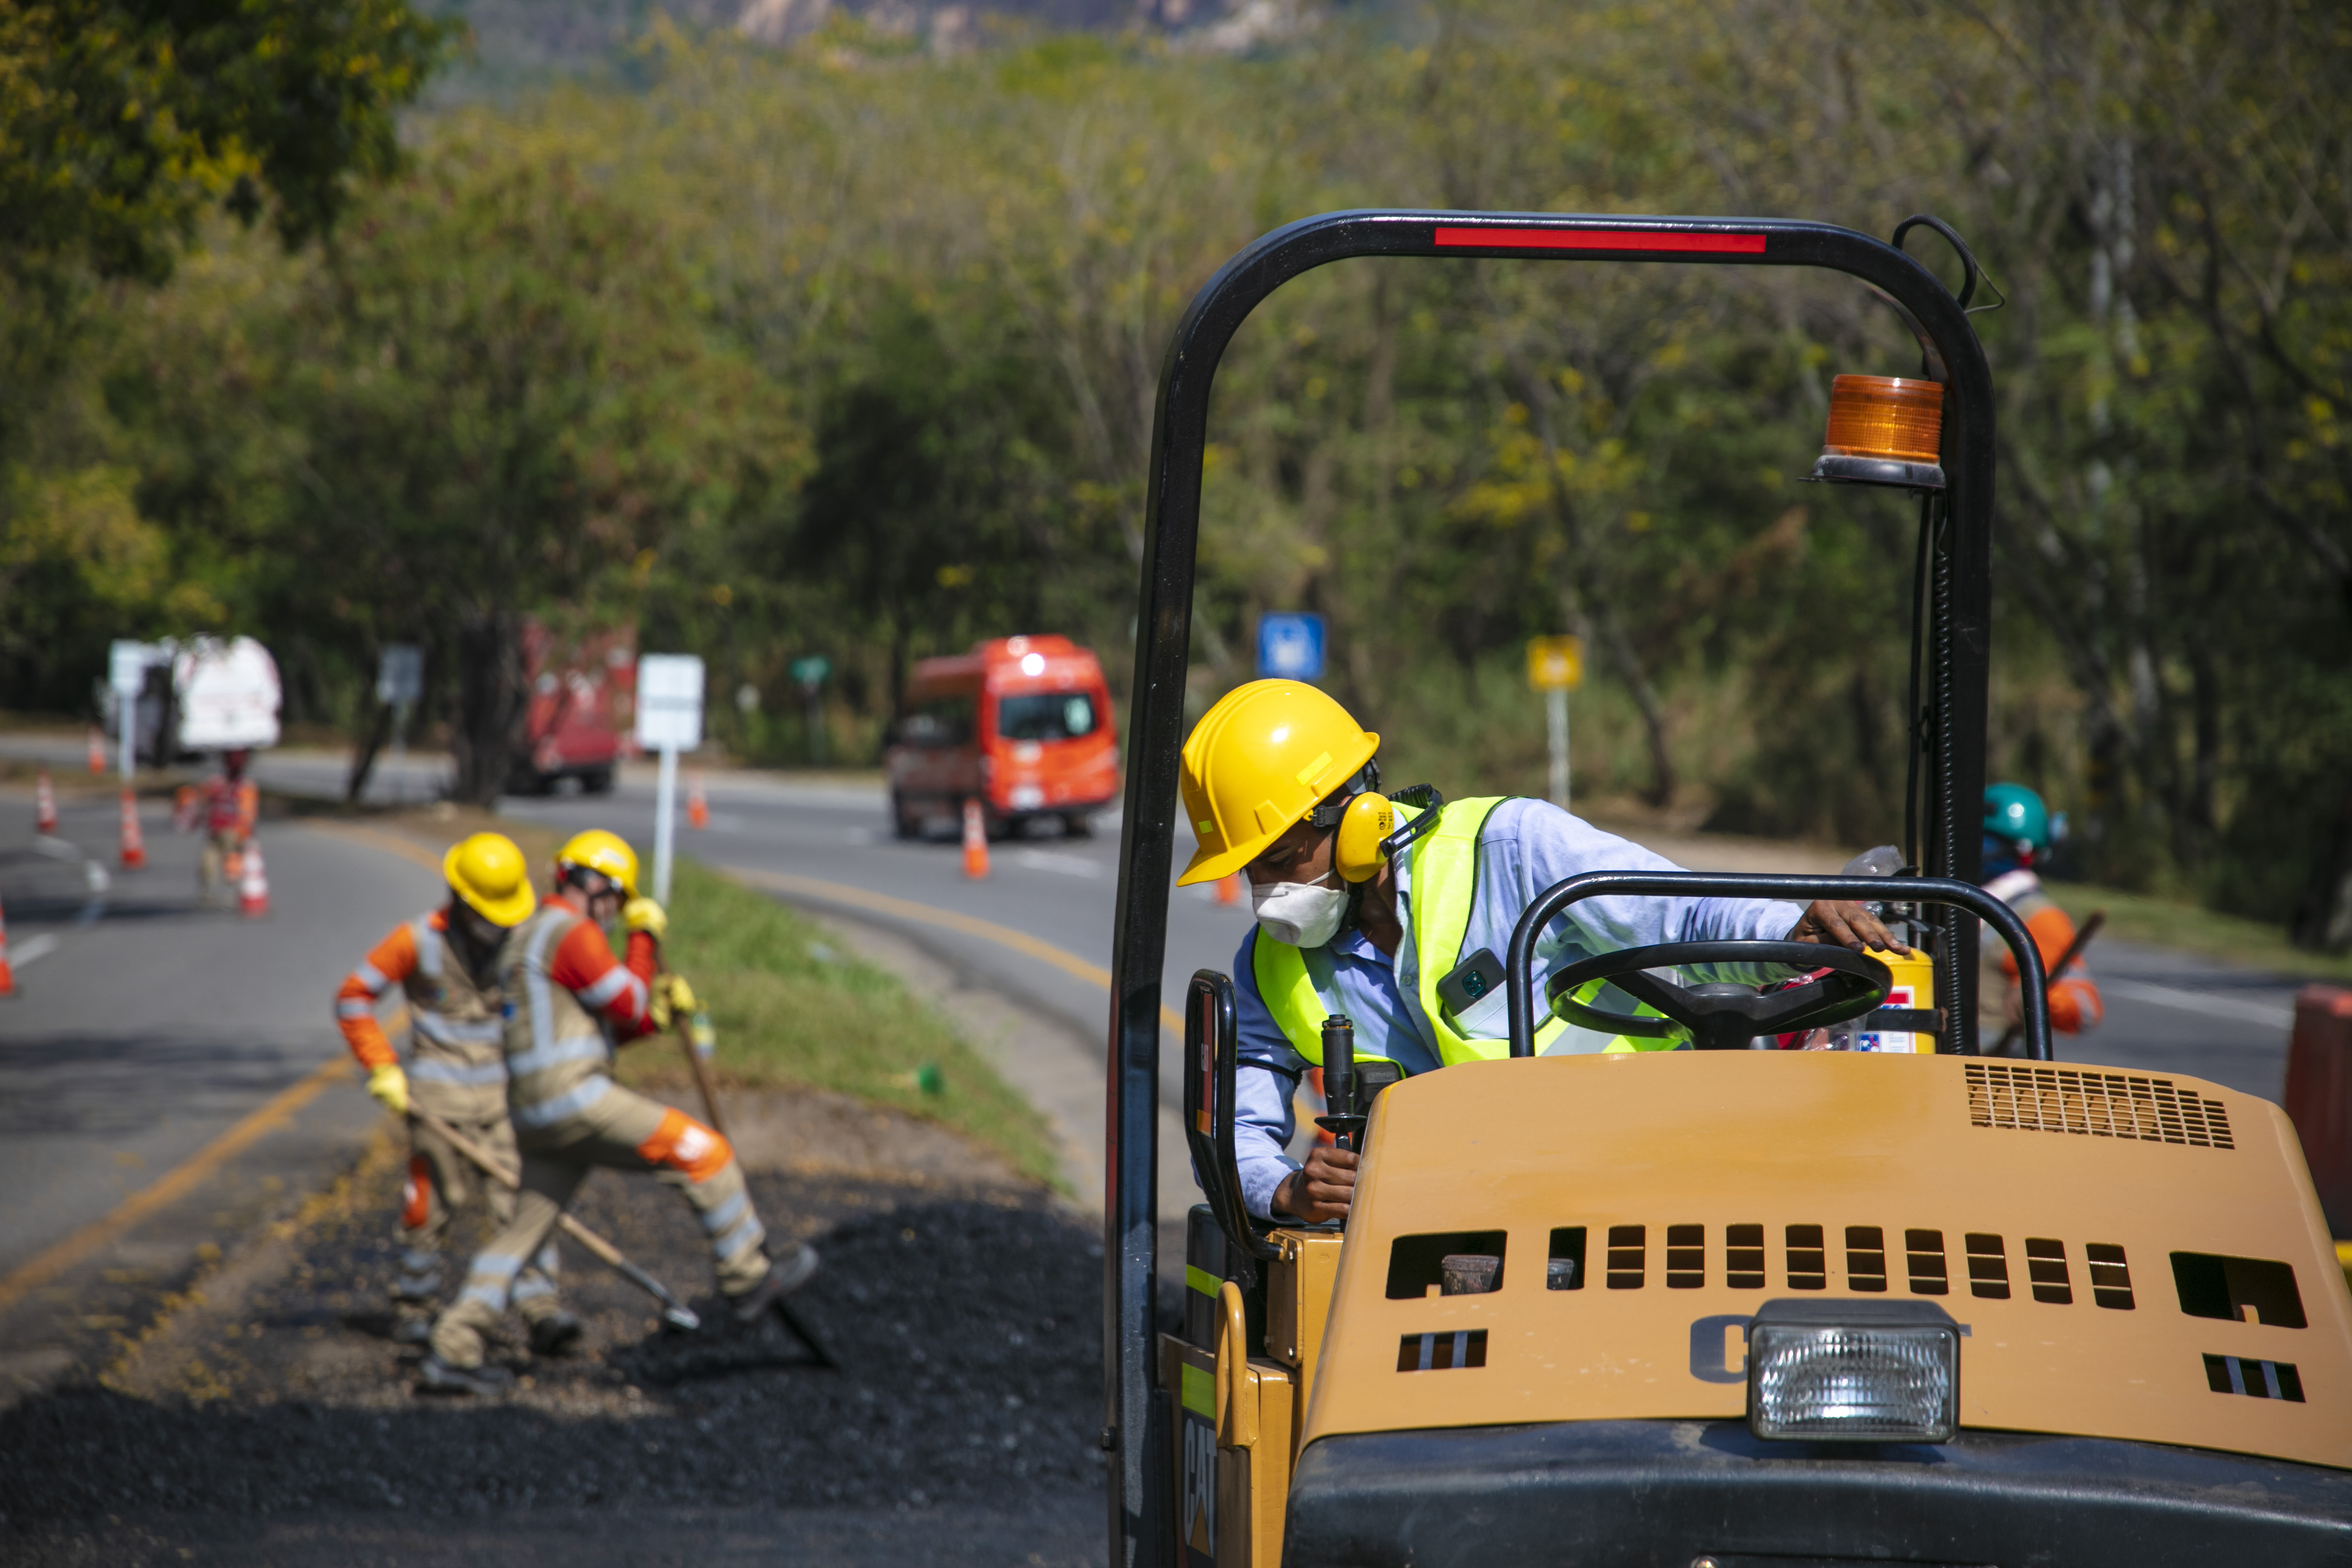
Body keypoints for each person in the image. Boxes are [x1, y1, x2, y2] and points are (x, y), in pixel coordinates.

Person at [1176, 680, 1907, 1225]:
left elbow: (1679, 910)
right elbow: (1237, 1129)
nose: (1264, 891)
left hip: (1639, 1174)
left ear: (1357, 816)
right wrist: (1284, 1190)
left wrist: (1786, 930)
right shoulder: (1267, 966)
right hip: (1449, 1226)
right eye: (1251, 871)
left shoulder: (1514, 849)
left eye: (1279, 859)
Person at [418, 829, 817, 1394]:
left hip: (535, 1114)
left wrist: (655, 1019)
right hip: (574, 1100)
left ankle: (453, 1348)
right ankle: (749, 1279)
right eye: (617, 899)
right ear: (595, 885)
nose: (615, 911)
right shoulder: (569, 932)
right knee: (704, 1153)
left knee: (521, 1234)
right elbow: (627, 997)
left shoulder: (526, 940)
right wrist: (644, 938)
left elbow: (609, 1026)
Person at [335, 832, 579, 1352]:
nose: (500, 924)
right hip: (435, 1102)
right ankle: (415, 1307)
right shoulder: (417, 941)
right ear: (463, 902)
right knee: (431, 1207)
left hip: (506, 1100)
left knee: (522, 1201)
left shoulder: (522, 943)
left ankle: (542, 1309)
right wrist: (383, 1068)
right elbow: (354, 997)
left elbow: (572, 990)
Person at [1981, 783, 2102, 1040]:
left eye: (1993, 842)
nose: (1982, 849)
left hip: (1992, 1071)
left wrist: (2036, 995)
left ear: (2026, 852)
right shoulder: (1961, 897)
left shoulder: (2039, 917)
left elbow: (2085, 1008)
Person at [195, 750, 257, 908]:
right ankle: (207, 893)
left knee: (232, 867)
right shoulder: (216, 782)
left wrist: (246, 831)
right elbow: (204, 802)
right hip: (215, 829)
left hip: (234, 832)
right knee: (207, 863)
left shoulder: (246, 785)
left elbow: (249, 811)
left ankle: (231, 894)